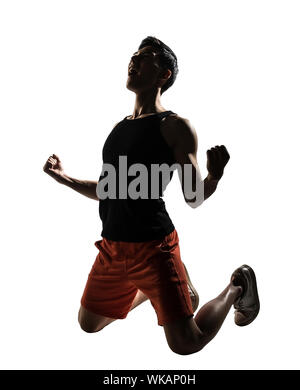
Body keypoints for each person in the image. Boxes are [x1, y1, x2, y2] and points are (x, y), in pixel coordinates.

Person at [43, 36, 259, 355]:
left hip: (154, 249)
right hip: (113, 249)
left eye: (145, 57)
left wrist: (214, 175)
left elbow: (194, 196)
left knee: (186, 343)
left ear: (163, 75)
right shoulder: (119, 130)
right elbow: (108, 191)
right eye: (134, 55)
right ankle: (174, 288)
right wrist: (63, 177)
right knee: (89, 323)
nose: (134, 60)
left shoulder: (175, 127)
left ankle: (237, 285)